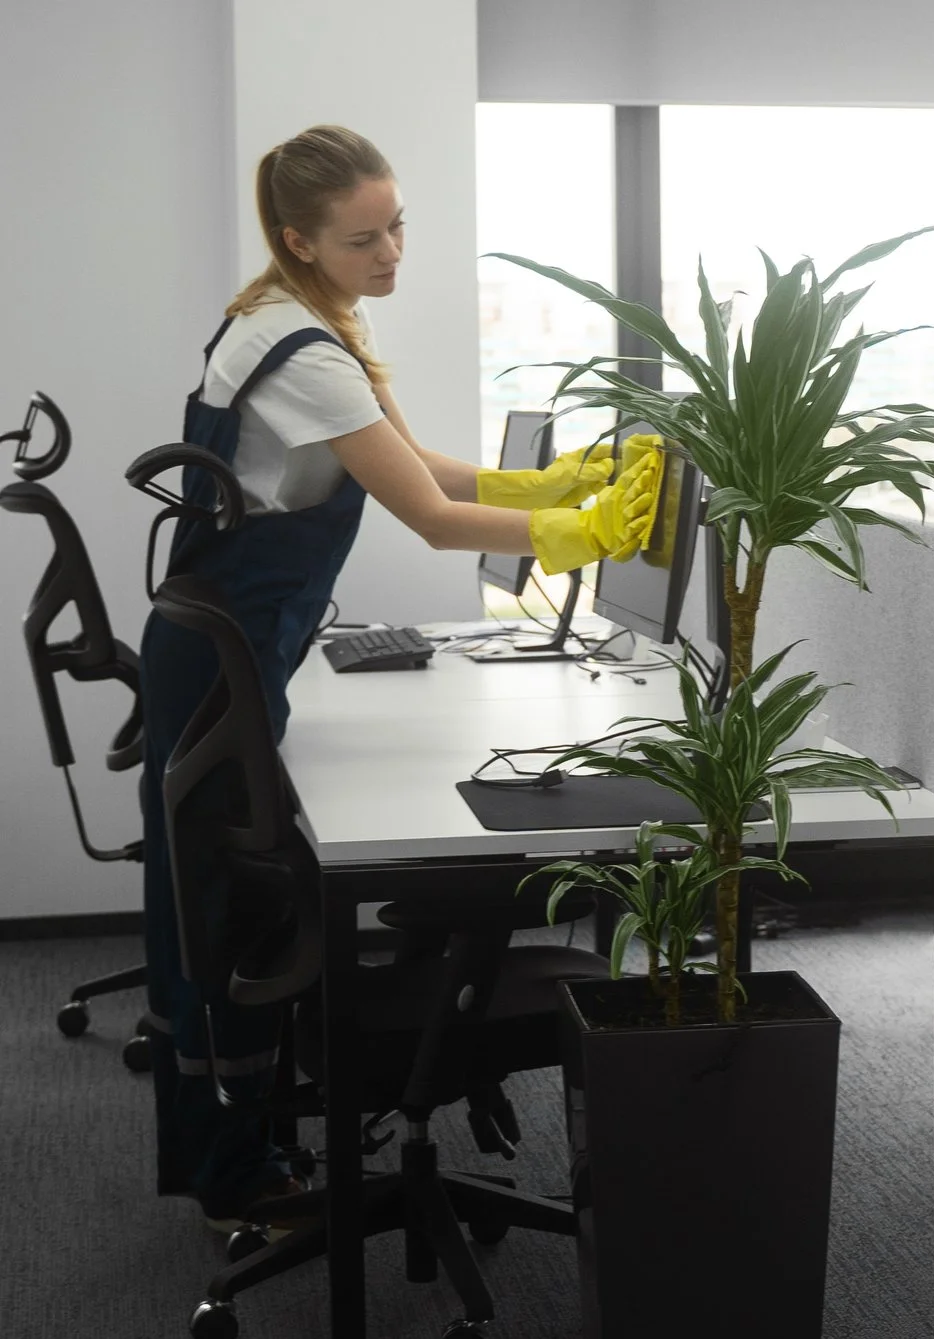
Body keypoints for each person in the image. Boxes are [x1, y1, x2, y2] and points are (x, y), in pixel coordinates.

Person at [144, 124, 661, 1230]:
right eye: (363, 238)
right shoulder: (305, 351)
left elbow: (410, 460)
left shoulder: (300, 313)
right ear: (299, 239)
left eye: (397, 227)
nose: (390, 254)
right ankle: (238, 1174)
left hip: (236, 642)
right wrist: (577, 533)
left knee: (229, 897)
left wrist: (542, 484)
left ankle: (250, 1145)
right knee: (224, 909)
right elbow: (425, 514)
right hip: (224, 661)